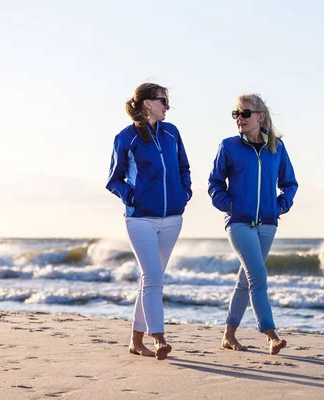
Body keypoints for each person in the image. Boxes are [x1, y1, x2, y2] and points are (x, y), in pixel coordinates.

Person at [106, 82, 192, 360]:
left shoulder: (172, 133)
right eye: (162, 100)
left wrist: (184, 194)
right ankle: (159, 337)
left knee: (150, 280)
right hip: (140, 218)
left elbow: (183, 168)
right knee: (153, 278)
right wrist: (133, 198)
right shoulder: (126, 138)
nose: (167, 106)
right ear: (146, 104)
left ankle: (135, 340)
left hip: (172, 218)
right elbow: (114, 179)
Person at [208, 93, 298, 355]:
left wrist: (281, 205)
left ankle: (229, 335)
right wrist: (229, 205)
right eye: (236, 114)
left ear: (260, 117)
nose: (240, 119)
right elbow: (214, 183)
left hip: (268, 223)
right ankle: (270, 334)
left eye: (245, 113)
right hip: (239, 223)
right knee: (258, 276)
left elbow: (290, 183)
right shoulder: (229, 147)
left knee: (245, 281)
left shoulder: (277, 148)